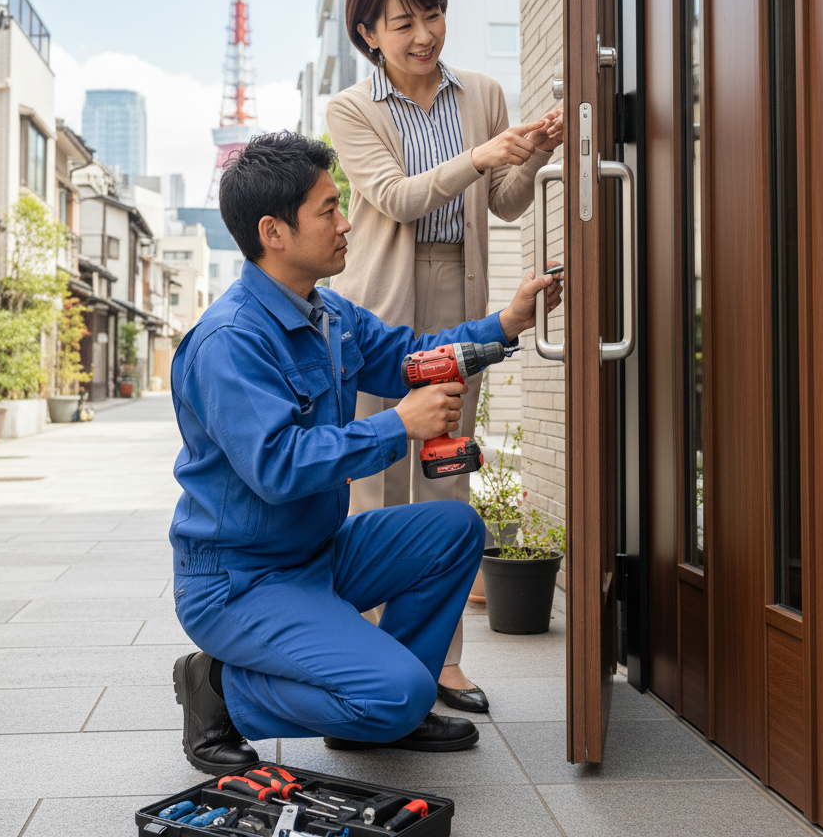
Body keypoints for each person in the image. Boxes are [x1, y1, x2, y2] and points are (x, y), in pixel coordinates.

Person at [169, 131, 562, 772]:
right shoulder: (230, 341)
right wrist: (398, 426)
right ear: (273, 232)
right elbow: (278, 467)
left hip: (316, 555)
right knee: (399, 694)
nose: (346, 222)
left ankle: (376, 715)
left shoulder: (331, 316)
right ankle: (219, 689)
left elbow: (415, 357)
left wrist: (508, 323)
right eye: (329, 209)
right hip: (240, 582)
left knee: (453, 528)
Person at [325, 0, 563, 712]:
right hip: (378, 306)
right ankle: (366, 654)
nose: (424, 34)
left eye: (433, 15)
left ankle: (443, 659)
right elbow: (397, 197)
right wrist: (481, 155)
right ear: (368, 34)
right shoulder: (351, 109)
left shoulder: (482, 93)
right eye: (403, 23)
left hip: (458, 295)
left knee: (446, 475)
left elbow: (506, 202)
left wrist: (535, 150)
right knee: (374, 486)